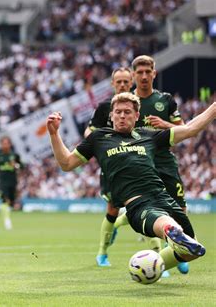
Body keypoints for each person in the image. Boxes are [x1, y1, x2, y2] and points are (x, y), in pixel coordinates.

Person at [46, 92, 214, 274]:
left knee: (193, 249)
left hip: (164, 198)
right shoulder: (99, 138)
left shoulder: (149, 136)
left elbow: (190, 129)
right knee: (165, 223)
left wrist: (213, 109)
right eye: (118, 112)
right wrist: (54, 134)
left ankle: (152, 266)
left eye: (127, 112)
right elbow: (67, 163)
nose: (122, 116)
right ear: (111, 115)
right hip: (138, 204)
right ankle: (170, 231)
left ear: (136, 116)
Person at [113, 55, 190, 273]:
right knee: (150, 210)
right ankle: (160, 260)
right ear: (133, 75)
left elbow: (182, 129)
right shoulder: (127, 102)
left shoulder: (165, 100)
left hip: (165, 161)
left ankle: (177, 249)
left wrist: (165, 124)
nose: (144, 76)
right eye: (140, 72)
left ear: (154, 73)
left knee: (180, 208)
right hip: (139, 163)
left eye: (148, 72)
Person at [84, 67, 133, 267]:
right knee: (112, 209)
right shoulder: (105, 108)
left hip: (139, 164)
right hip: (113, 166)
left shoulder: (139, 106)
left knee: (146, 206)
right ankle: (102, 253)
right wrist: (99, 143)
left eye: (125, 81)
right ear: (113, 84)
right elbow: (90, 131)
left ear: (132, 83)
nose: (122, 85)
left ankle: (158, 258)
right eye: (118, 81)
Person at [0, 136, 22, 230]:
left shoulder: (15, 155)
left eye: (7, 143)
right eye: (3, 143)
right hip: (2, 181)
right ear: (1, 145)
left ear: (10, 144)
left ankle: (8, 216)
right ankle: (7, 221)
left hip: (13, 181)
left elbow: (22, 166)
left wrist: (15, 165)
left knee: (11, 202)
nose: (5, 145)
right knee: (4, 200)